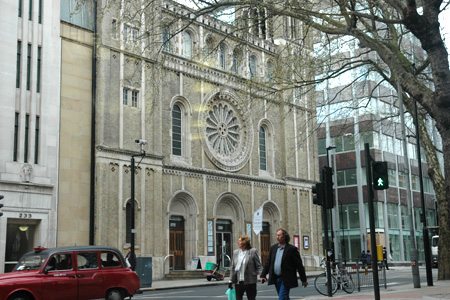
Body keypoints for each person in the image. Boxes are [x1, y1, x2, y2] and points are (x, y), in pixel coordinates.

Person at [260, 228, 308, 300]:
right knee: (284, 297)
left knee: (282, 298)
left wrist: (303, 279)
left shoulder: (291, 249)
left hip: (286, 278)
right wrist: (263, 275)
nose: (277, 237)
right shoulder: (274, 248)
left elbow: (299, 265)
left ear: (284, 236)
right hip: (276, 278)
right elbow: (268, 262)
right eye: (277, 235)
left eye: (279, 235)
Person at [229, 235, 262, 300]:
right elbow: (233, 268)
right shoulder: (236, 252)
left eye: (240, 241)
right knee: (238, 298)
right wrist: (231, 280)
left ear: (244, 242)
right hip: (238, 281)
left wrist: (261, 276)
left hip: (250, 281)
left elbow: (258, 266)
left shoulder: (252, 251)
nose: (238, 242)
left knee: (251, 298)